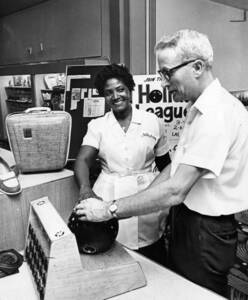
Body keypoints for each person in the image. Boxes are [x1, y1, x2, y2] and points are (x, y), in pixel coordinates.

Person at [73, 29, 248, 297]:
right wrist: (140, 200)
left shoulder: (217, 114)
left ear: (198, 67)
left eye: (168, 73)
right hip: (187, 222)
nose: (164, 83)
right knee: (176, 289)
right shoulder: (198, 111)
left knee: (199, 294)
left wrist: (110, 209)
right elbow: (173, 167)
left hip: (206, 230)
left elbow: (177, 188)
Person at [74, 63, 171, 265]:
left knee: (152, 251)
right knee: (114, 252)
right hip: (109, 193)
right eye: (109, 93)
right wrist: (85, 188)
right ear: (104, 96)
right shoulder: (98, 126)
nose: (116, 96)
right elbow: (83, 159)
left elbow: (165, 163)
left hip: (147, 193)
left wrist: (168, 198)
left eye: (120, 89)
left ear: (130, 90)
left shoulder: (152, 121)